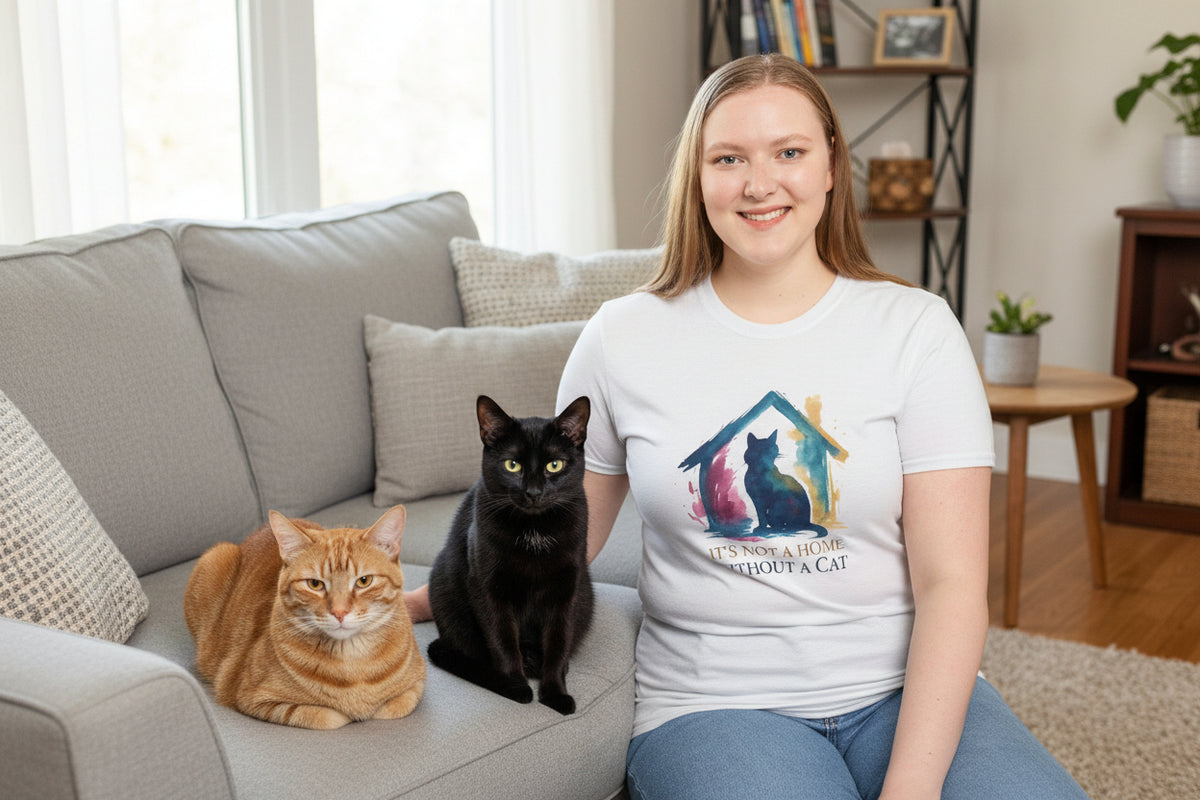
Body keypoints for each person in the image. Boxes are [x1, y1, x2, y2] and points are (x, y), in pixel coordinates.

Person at [550, 54, 1090, 800]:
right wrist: (427, 598)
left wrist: (913, 787)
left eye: (790, 152)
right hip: (717, 706)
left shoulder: (917, 330)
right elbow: (549, 538)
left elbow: (953, 584)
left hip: (903, 692)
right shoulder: (621, 338)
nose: (758, 183)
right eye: (729, 157)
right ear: (697, 175)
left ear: (833, 163)